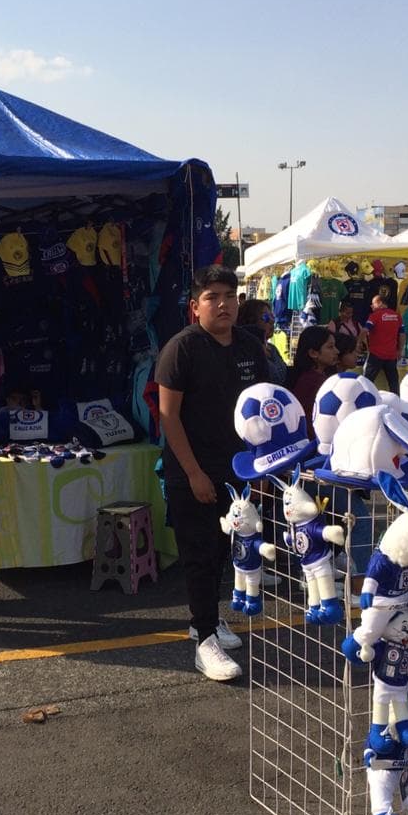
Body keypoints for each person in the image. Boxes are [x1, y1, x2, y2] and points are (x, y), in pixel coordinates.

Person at [155, 265, 268, 682]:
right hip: (192, 470)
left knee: (227, 549)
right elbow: (168, 416)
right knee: (199, 555)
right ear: (195, 306)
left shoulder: (251, 347)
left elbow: (262, 408)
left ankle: (207, 618)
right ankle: (205, 640)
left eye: (230, 295)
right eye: (212, 297)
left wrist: (259, 465)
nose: (223, 304)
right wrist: (194, 473)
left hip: (236, 471)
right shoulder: (181, 349)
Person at [286, 326, 338, 432]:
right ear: (313, 353)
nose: (337, 351)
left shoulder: (319, 377)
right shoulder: (311, 381)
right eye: (330, 347)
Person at [238, 297, 287, 385]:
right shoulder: (244, 351)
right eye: (266, 317)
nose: (272, 321)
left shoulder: (272, 349)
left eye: (272, 316)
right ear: (250, 320)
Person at [360, 295, 403, 391]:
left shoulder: (375, 316)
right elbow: (402, 334)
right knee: (394, 383)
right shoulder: (396, 316)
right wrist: (400, 350)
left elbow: (364, 330)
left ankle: (365, 401)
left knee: (366, 382)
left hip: (375, 354)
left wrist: (358, 343)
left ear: (380, 303)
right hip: (391, 355)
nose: (371, 306)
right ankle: (396, 402)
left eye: (373, 304)